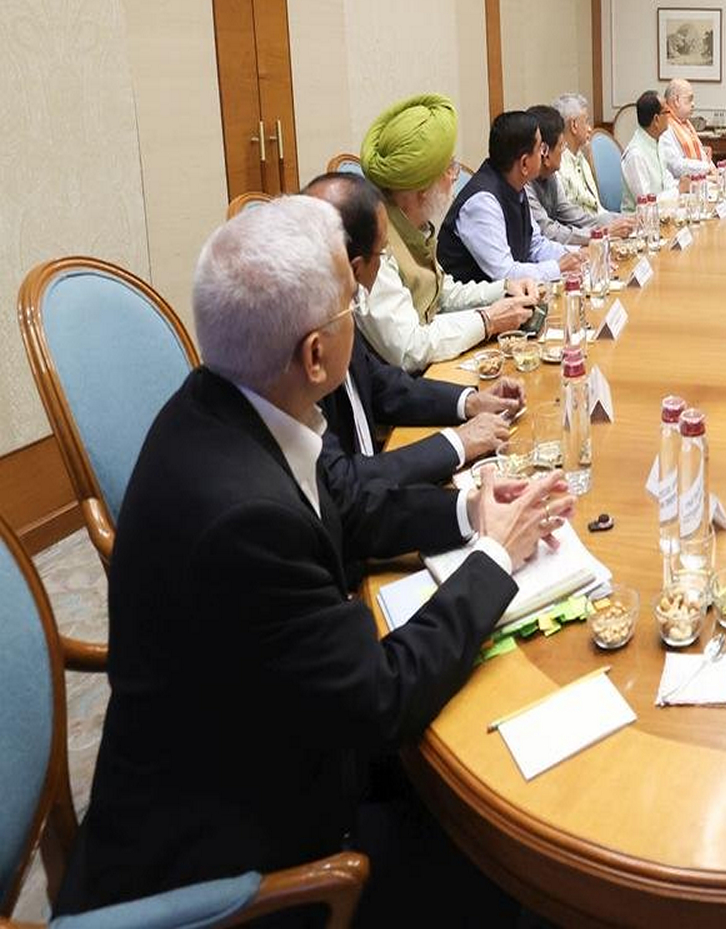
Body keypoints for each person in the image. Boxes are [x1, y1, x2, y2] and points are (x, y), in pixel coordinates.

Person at [55, 196, 574, 924]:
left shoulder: (234, 403)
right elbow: (382, 700)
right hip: (253, 860)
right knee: (522, 865)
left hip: (266, 738)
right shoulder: (245, 522)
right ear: (317, 354)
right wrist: (493, 559)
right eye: (349, 304)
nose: (360, 310)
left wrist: (473, 515)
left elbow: (351, 507)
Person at [305, 173, 520, 509]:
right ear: (357, 268)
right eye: (382, 252)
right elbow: (345, 489)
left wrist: (470, 402)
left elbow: (381, 385)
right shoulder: (302, 341)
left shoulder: (333, 306)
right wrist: (457, 444)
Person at [356, 94, 540, 373]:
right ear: (422, 189)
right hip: (406, 393)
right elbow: (410, 348)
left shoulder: (413, 226)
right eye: (449, 168)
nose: (455, 175)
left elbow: (441, 294)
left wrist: (504, 289)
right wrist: (488, 320)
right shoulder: (377, 245)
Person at [436, 107, 585, 284]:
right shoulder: (482, 203)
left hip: (509, 301)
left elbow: (535, 245)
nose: (543, 154)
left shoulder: (515, 185)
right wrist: (558, 267)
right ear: (524, 163)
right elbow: (505, 273)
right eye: (540, 148)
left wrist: (577, 255)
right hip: (474, 307)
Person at [526, 104, 633, 245]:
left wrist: (622, 220)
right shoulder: (525, 185)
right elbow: (550, 232)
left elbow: (575, 216)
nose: (564, 151)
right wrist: (602, 233)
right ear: (544, 151)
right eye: (561, 146)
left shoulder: (550, 174)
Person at [553, 91, 607, 216]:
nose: (590, 128)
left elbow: (598, 208)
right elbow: (573, 218)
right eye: (586, 121)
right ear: (574, 125)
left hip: (602, 225)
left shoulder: (580, 156)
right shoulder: (558, 166)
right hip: (586, 230)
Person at [621, 88, 672, 210]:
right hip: (639, 224)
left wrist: (682, 188)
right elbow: (647, 204)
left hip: (663, 214)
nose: (670, 116)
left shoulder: (657, 141)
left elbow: (666, 182)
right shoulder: (636, 154)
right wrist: (677, 191)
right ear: (656, 120)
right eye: (667, 112)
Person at [659, 78, 714, 180]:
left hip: (700, 180)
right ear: (676, 101)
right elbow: (676, 166)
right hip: (681, 187)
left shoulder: (685, 123)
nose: (693, 104)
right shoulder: (665, 126)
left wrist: (715, 171)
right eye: (689, 99)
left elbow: (703, 155)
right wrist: (707, 168)